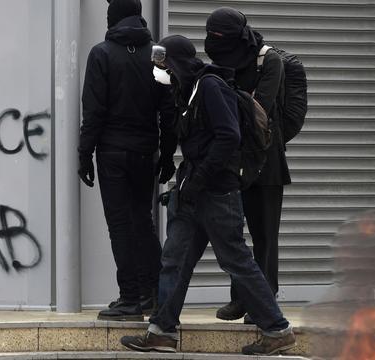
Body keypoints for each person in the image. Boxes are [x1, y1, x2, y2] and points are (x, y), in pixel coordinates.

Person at [119, 35, 296, 355]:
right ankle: (162, 331)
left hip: (217, 192)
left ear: (179, 62)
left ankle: (277, 328)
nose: (162, 70)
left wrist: (197, 180)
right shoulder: (186, 91)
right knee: (175, 259)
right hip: (193, 193)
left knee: (236, 260)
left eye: (165, 63)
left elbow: (229, 136)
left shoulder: (211, 87)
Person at [78, 0, 176, 321]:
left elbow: (93, 111)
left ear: (114, 17)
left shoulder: (102, 54)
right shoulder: (157, 54)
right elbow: (168, 109)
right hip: (145, 152)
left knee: (120, 225)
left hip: (113, 153)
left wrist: (84, 154)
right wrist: (167, 153)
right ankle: (155, 295)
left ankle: (130, 298)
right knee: (143, 223)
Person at [204, 7, 289, 324]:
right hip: (234, 160)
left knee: (265, 235)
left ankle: (264, 303)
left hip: (266, 162)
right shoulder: (223, 59)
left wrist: (229, 103)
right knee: (234, 235)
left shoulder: (269, 61)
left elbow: (258, 110)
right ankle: (239, 298)